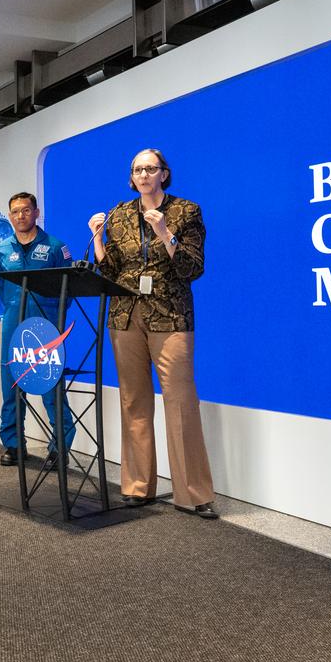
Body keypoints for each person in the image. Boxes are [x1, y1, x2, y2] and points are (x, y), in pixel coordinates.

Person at [88, 149, 217, 519]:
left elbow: (193, 268)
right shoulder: (119, 214)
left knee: (180, 402)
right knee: (133, 401)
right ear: (132, 177)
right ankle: (137, 486)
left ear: (164, 173)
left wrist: (165, 233)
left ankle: (193, 493)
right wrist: (98, 239)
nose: (143, 174)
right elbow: (110, 270)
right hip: (125, 316)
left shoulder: (186, 211)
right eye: (137, 169)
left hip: (171, 315)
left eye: (150, 168)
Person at [0, 192, 75, 469]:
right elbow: (2, 288)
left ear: (36, 213)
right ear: (9, 216)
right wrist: (16, 309)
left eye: (26, 210)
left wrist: (48, 314)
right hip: (13, 326)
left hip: (45, 327)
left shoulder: (55, 248)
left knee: (51, 389)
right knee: (12, 387)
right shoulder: (1, 251)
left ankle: (59, 448)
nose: (20, 216)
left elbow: (67, 290)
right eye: (15, 211)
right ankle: (14, 445)